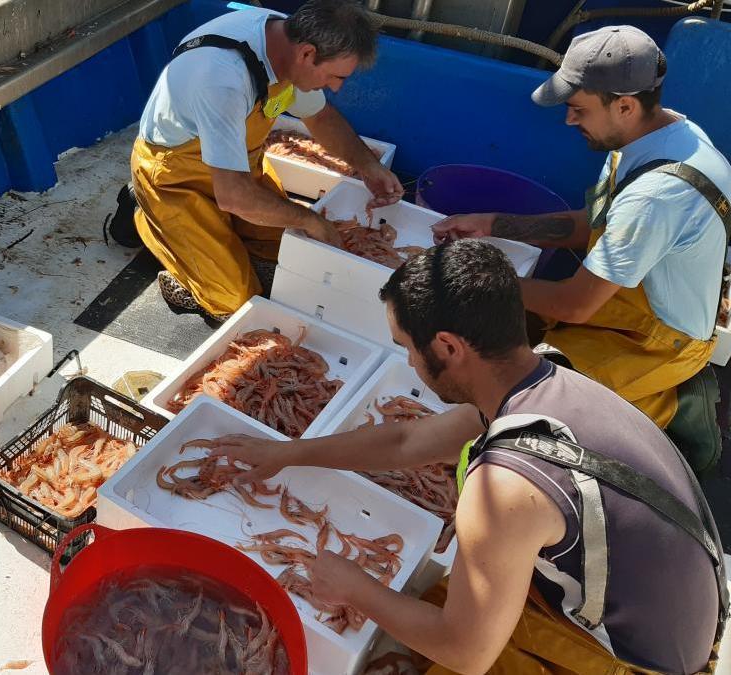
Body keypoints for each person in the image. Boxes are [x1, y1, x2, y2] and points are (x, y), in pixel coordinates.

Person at [208, 240, 724, 674]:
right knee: (427, 607)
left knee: (425, 640)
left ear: (449, 347)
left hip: (642, 663)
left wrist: (354, 586)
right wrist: (287, 453)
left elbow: (468, 652)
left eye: (407, 347)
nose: (408, 362)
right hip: (679, 612)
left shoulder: (504, 485)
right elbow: (404, 443)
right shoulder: (542, 375)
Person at [432, 25, 731, 475]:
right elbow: (589, 223)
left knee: (526, 407)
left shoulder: (657, 193)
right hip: (620, 308)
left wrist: (477, 283)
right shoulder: (654, 136)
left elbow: (575, 305)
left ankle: (670, 405)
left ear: (625, 105)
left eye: (578, 109)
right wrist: (493, 224)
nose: (570, 120)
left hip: (652, 341)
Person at [126, 0, 403, 320]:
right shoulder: (222, 79)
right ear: (308, 55)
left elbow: (321, 117)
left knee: (297, 252)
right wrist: (309, 219)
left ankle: (213, 232)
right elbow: (234, 195)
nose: (336, 88)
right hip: (175, 176)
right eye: (335, 77)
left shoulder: (287, 40)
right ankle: (147, 215)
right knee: (236, 300)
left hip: (240, 164)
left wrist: (368, 166)